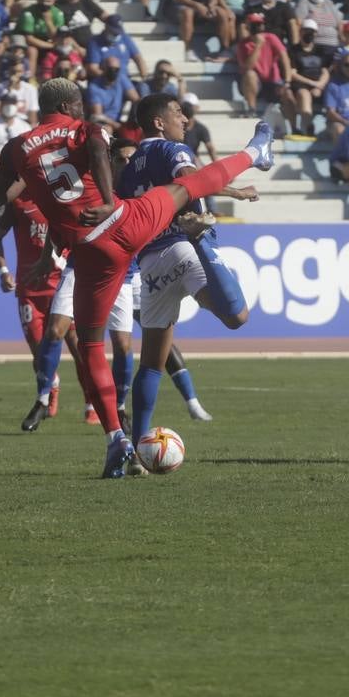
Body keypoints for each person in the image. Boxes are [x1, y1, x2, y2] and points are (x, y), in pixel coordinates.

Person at [0, 77, 276, 478]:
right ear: (72, 106)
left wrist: (26, 182)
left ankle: (116, 441)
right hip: (125, 226)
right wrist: (107, 201)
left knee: (90, 346)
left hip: (88, 256)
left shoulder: (15, 147)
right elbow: (95, 149)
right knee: (185, 186)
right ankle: (254, 152)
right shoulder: (86, 129)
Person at [117, 94, 259, 443]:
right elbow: (192, 177)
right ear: (158, 122)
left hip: (150, 264)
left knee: (151, 362)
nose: (186, 120)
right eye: (178, 113)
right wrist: (236, 192)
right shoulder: (170, 150)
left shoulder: (126, 171)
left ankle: (136, 449)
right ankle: (199, 239)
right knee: (236, 315)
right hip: (181, 246)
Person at [0, 186, 96, 423]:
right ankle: (50, 390)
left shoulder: (63, 199)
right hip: (29, 291)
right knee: (40, 355)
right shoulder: (17, 203)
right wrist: (3, 271)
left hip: (62, 287)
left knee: (79, 348)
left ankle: (91, 403)